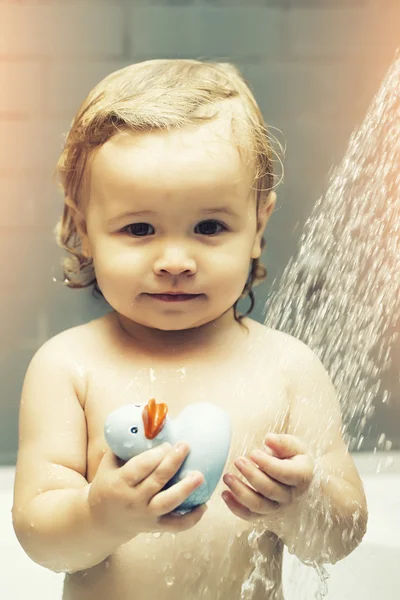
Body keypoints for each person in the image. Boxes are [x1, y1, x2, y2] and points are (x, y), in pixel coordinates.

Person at [12, 59, 367, 600]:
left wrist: (303, 503)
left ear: (258, 225)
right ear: (83, 230)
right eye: (139, 228)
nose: (175, 259)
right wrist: (102, 514)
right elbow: (42, 542)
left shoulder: (289, 367)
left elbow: (340, 538)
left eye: (209, 227)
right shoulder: (69, 367)